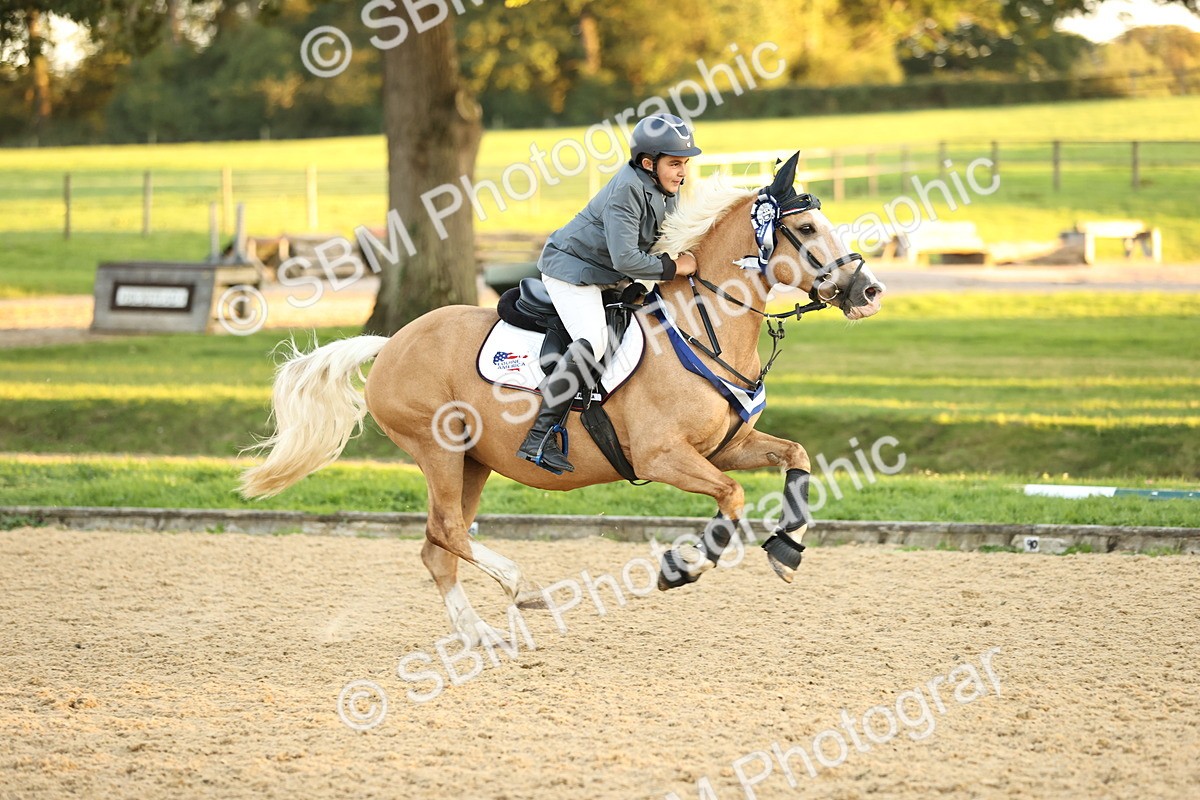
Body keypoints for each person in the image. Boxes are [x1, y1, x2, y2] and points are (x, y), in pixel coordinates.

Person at [516, 113, 702, 474]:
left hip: (607, 275)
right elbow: (627, 257)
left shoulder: (667, 191)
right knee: (593, 342)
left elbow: (664, 239)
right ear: (649, 163)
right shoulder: (628, 189)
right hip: (573, 273)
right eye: (675, 163)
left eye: (685, 164)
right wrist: (676, 267)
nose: (682, 172)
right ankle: (537, 437)